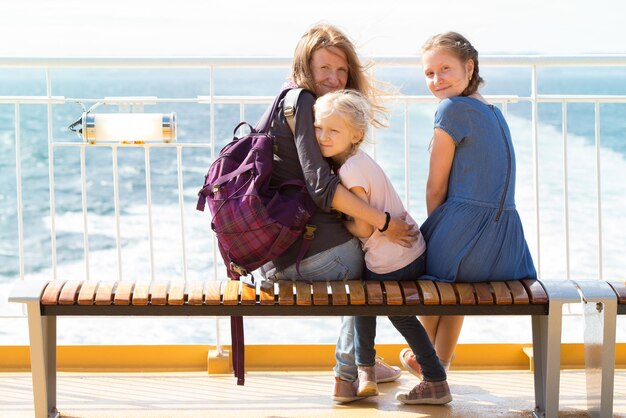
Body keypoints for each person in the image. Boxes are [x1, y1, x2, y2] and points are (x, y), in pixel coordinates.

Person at [256, 24, 417, 402]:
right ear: (304, 66)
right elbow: (323, 189)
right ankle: (350, 375)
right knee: (371, 269)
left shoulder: (283, 100)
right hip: (311, 259)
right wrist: (386, 223)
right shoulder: (306, 104)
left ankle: (368, 362)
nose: (333, 79)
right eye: (324, 69)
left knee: (362, 255)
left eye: (341, 71)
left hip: (273, 256)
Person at [399, 32, 537, 377]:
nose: (436, 79)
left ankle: (426, 361)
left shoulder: (451, 109)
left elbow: (435, 188)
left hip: (469, 239)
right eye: (429, 73)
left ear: (469, 66)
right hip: (507, 249)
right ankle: (439, 363)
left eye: (445, 68)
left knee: (435, 268)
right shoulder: (493, 112)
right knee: (455, 279)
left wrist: (439, 233)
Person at [314, 89, 452, 405]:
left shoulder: (348, 172)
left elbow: (363, 226)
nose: (323, 136)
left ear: (356, 135)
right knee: (374, 304)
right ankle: (369, 369)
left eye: (333, 130)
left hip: (392, 261)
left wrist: (339, 221)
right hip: (412, 251)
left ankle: (430, 379)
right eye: (319, 128)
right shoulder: (362, 161)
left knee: (375, 306)